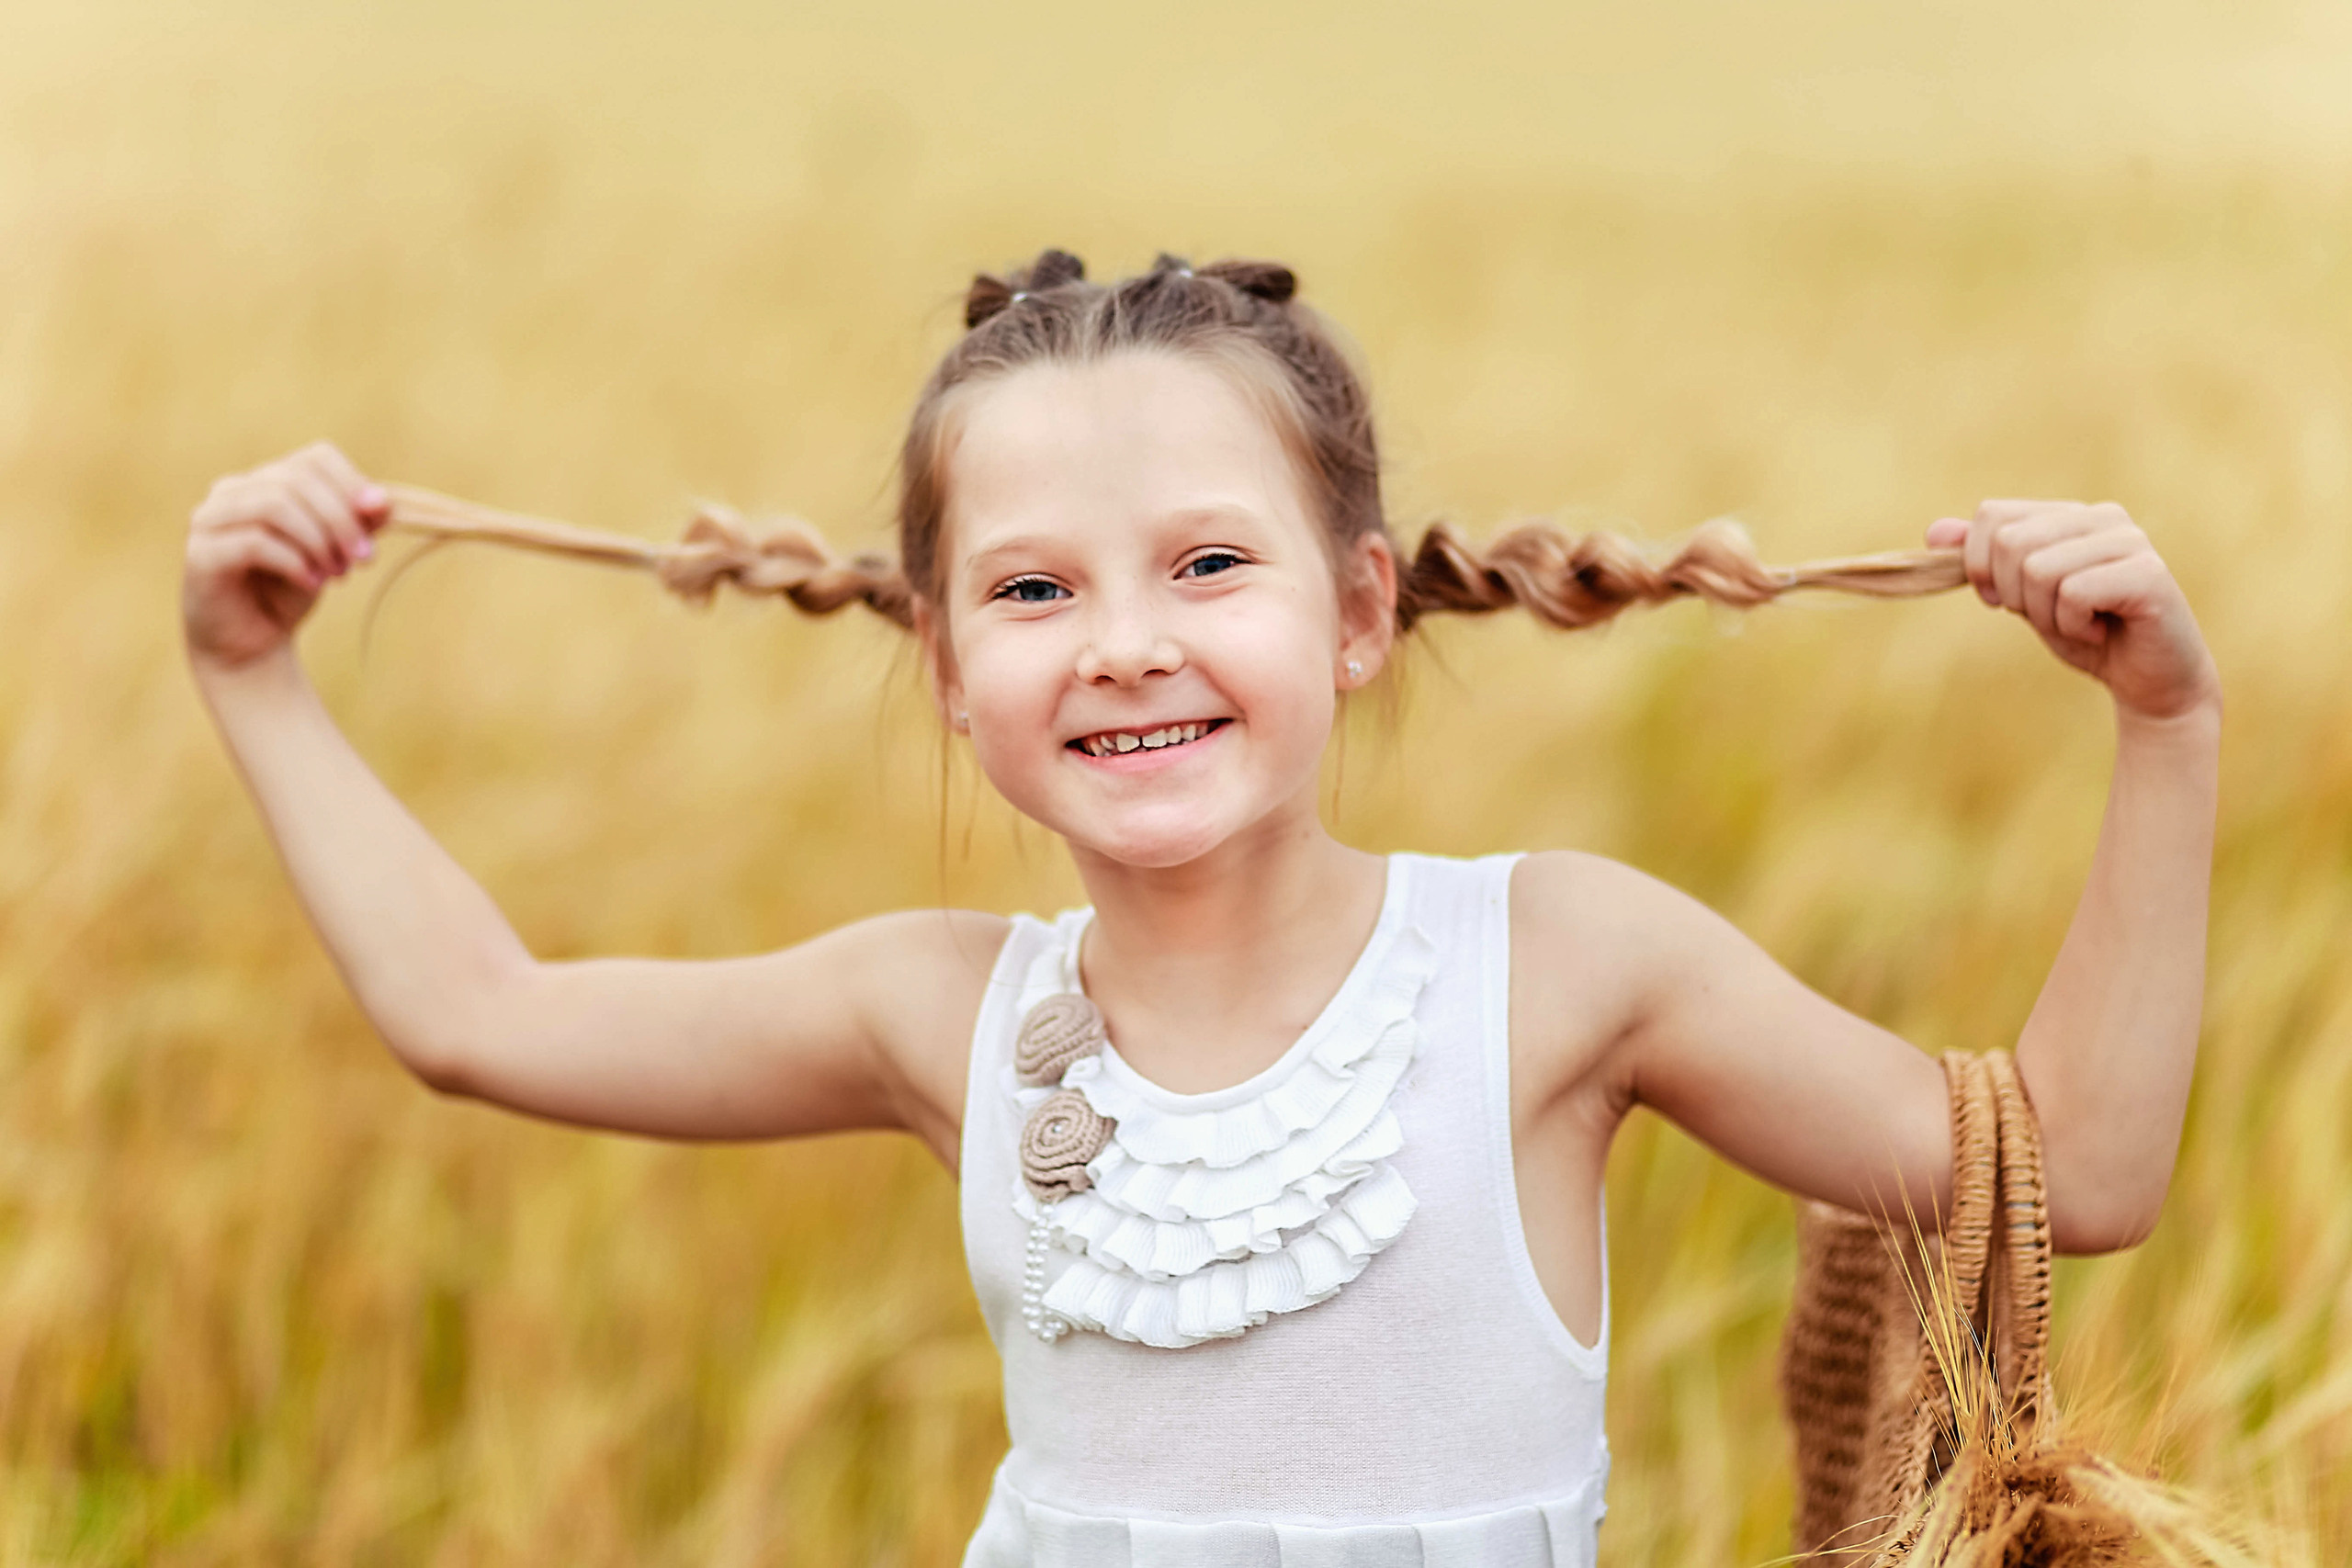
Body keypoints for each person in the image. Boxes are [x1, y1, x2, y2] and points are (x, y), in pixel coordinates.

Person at [179, 249, 2222, 1566]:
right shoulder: (941, 1014)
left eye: (1208, 565)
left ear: (1356, 611)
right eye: (1032, 588)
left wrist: (2162, 725)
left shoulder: (1554, 967)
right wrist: (254, 675)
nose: (1122, 644)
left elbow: (2075, 1170)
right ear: (942, 662)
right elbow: (478, 1011)